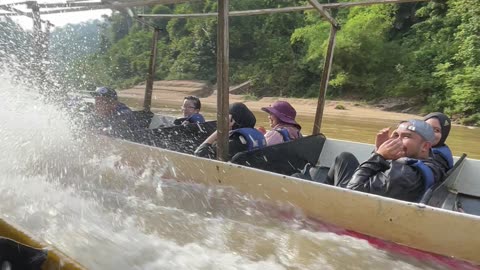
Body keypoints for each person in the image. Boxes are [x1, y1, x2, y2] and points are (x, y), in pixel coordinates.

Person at [322, 119, 445, 202]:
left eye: (406, 136)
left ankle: (321, 203)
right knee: (345, 158)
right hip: (377, 199)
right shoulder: (429, 159)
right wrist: (378, 151)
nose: (397, 141)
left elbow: (352, 194)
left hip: (354, 205)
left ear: (425, 146)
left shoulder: (403, 175)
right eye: (396, 135)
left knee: (343, 159)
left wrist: (379, 156)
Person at [194, 102, 266, 160]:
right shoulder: (255, 135)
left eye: (226, 118)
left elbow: (199, 154)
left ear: (233, 120)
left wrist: (220, 129)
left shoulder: (231, 144)